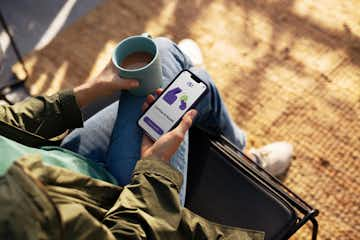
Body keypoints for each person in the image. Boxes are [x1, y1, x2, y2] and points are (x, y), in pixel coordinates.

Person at [0, 37, 292, 239]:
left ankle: (236, 147)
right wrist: (154, 170)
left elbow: (8, 121)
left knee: (163, 52)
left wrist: (90, 89)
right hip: (117, 203)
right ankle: (245, 160)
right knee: (197, 84)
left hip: (69, 160)